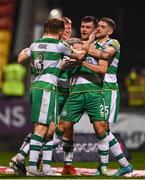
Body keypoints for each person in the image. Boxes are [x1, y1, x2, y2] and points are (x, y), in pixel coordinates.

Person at [15, 17, 86, 176]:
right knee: (41, 128)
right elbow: (80, 56)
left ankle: (45, 168)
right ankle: (32, 167)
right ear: (60, 31)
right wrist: (88, 44)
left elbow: (20, 58)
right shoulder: (59, 45)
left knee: (50, 129)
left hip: (37, 86)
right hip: (47, 88)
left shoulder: (34, 44)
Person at [54, 16, 110, 176]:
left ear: (94, 29)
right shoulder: (72, 44)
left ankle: (104, 168)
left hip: (94, 92)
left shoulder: (100, 47)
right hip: (74, 93)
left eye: (88, 27)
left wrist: (82, 60)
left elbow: (102, 67)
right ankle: (44, 161)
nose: (84, 29)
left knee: (101, 128)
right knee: (61, 128)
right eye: (83, 26)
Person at [81, 17, 133, 176]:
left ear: (109, 31)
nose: (99, 29)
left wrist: (83, 49)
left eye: (102, 27)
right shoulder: (95, 44)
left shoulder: (113, 43)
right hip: (98, 88)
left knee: (104, 128)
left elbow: (105, 55)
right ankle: (106, 166)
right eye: (98, 26)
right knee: (101, 129)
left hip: (109, 89)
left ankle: (121, 165)